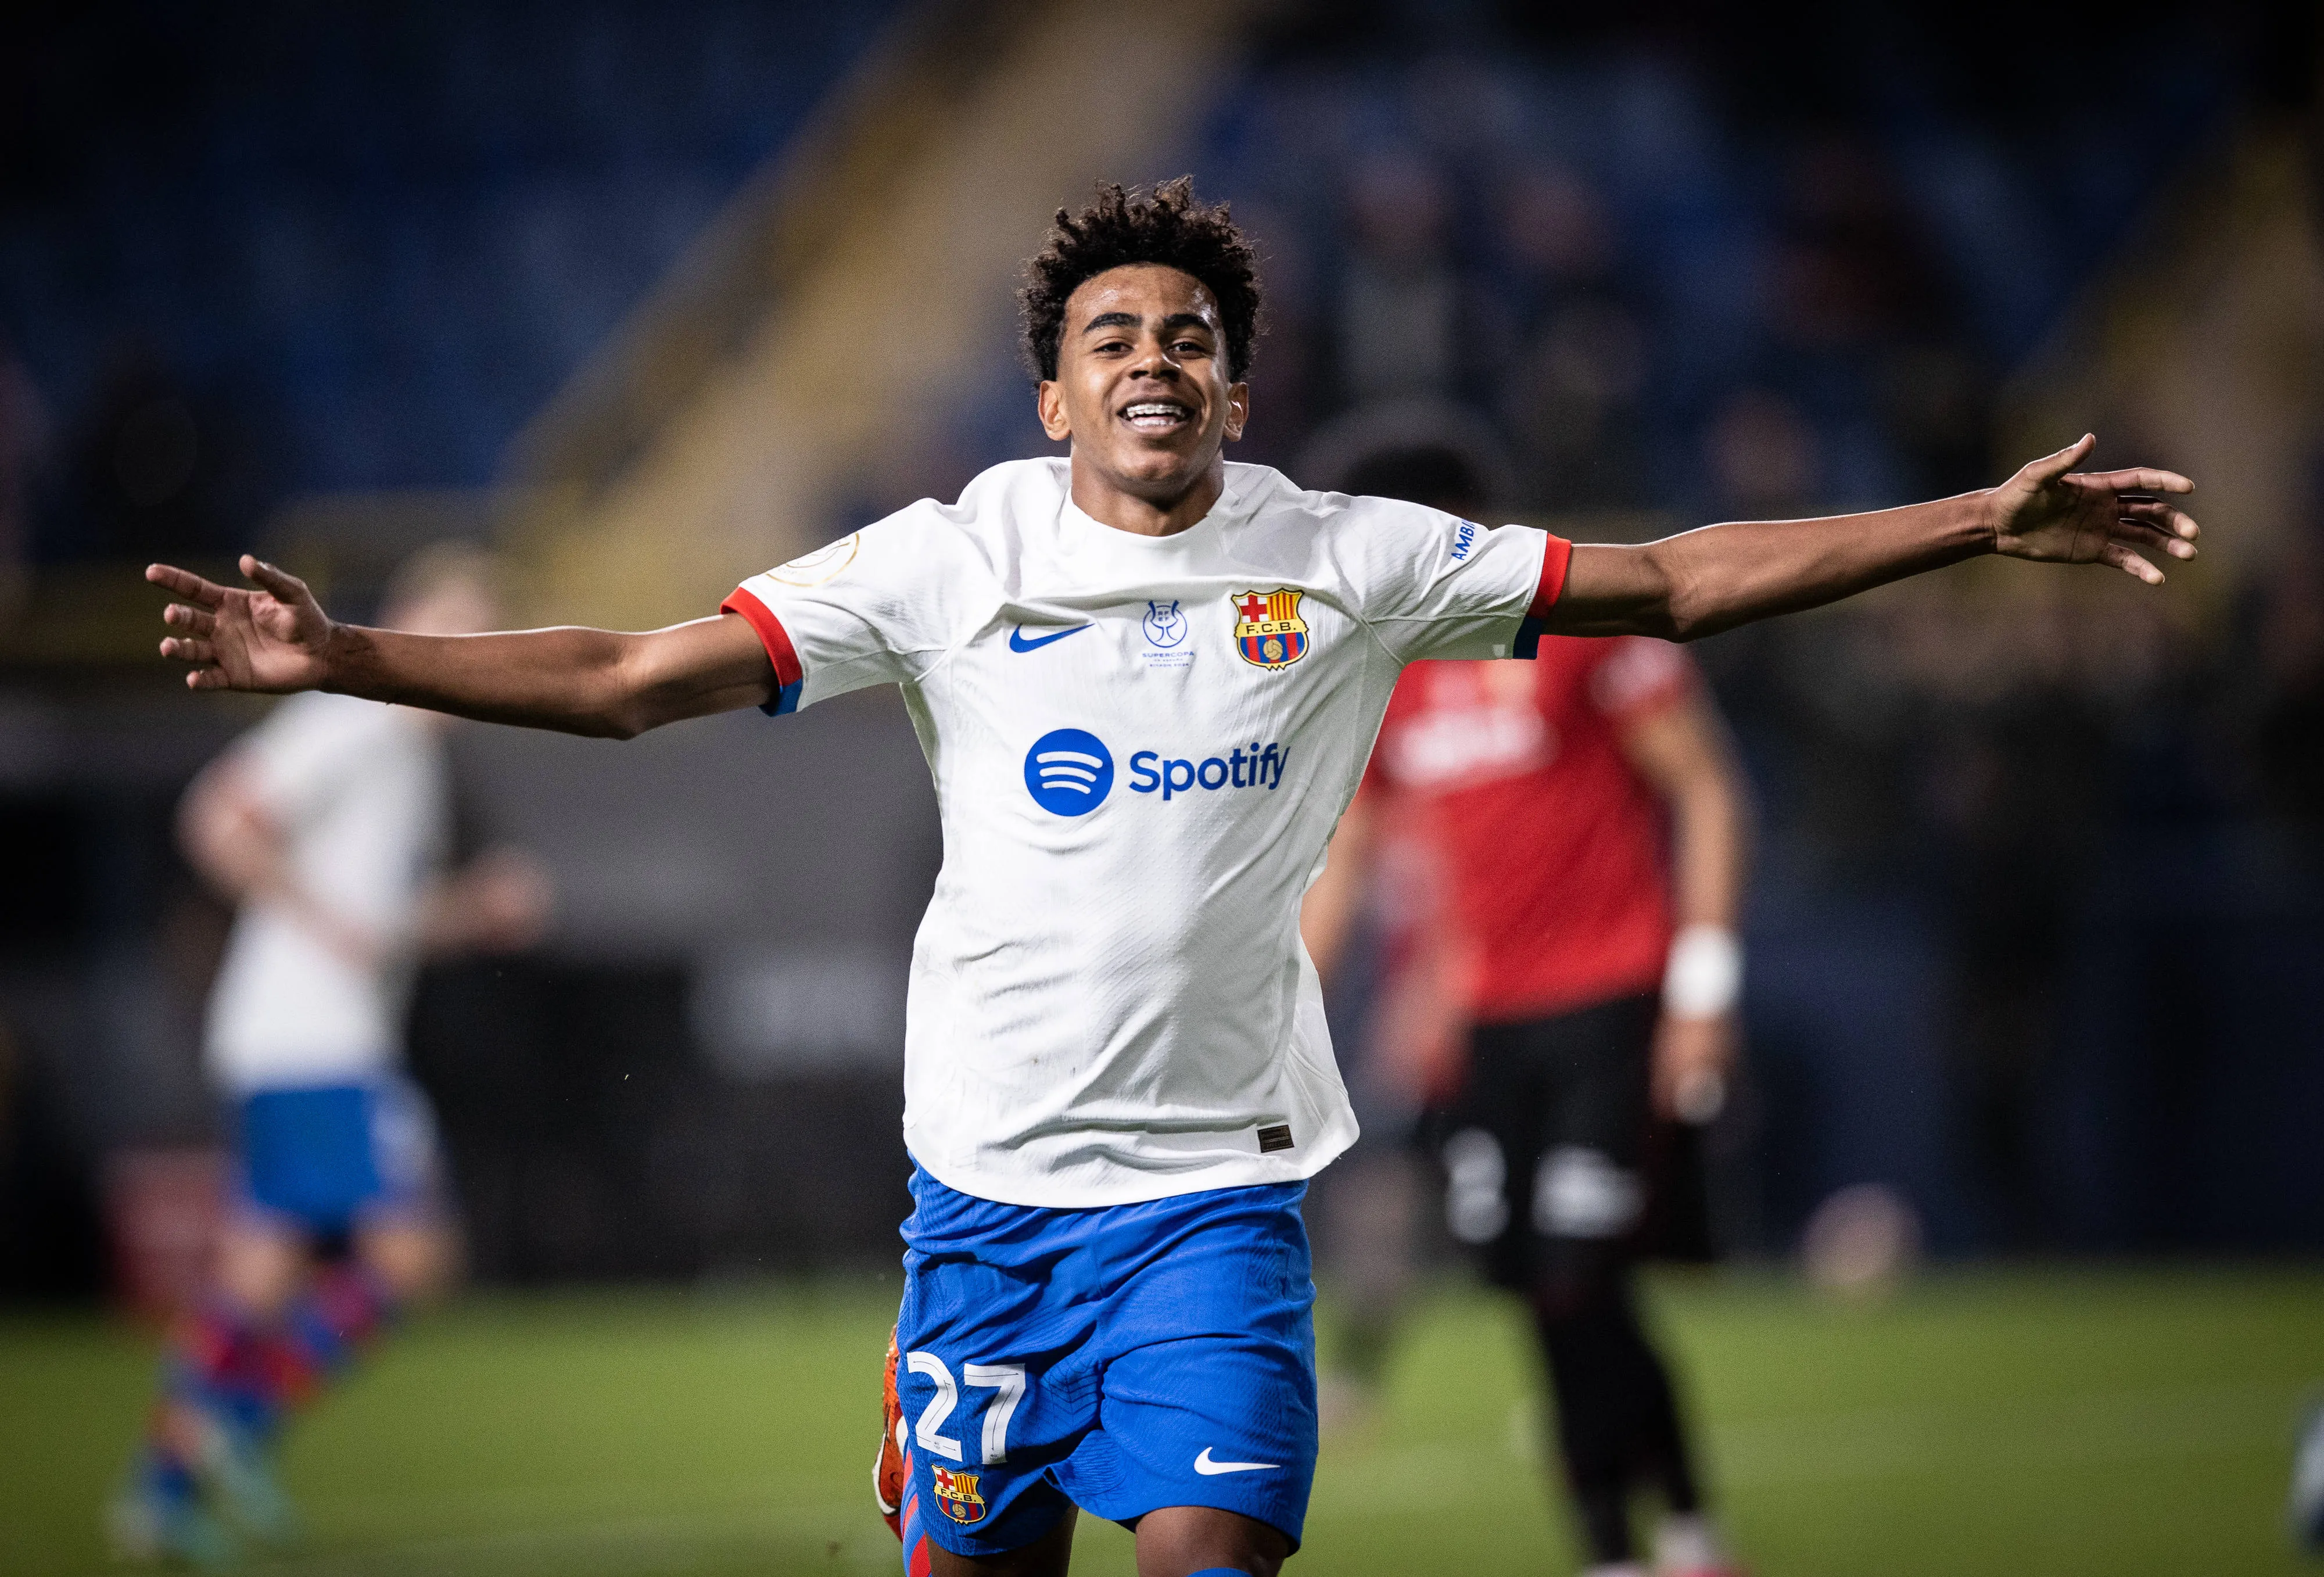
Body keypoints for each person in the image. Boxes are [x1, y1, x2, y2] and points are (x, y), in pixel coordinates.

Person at [142, 180, 2199, 1577]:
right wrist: (347, 656)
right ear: (1054, 393)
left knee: (1211, 1548)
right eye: (1112, 332)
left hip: (1213, 1204)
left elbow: (1667, 582)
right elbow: (621, 678)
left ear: (1236, 385)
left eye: (1191, 334)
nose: (1154, 355)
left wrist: (1971, 522)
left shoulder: (1352, 556)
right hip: (981, 1216)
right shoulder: (948, 559)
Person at [1301, 434, 1752, 1577]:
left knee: (1574, 1271)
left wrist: (1702, 992)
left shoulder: (1578, 626)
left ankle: (1670, 1532)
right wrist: (1283, 1011)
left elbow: (1705, 789)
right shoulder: (1387, 677)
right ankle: (1633, 1542)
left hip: (1610, 1001)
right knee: (1538, 1291)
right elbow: (1357, 853)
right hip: (1486, 1031)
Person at [112, 546, 551, 1565]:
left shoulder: (411, 758)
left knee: (262, 1267)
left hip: (296, 1039)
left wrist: (470, 912)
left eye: (484, 634)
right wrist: (319, 920)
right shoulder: (355, 719)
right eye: (456, 627)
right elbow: (217, 816)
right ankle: (231, 1430)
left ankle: (160, 1489)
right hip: (311, 1040)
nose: (471, 650)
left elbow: (376, 927)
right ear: (405, 622)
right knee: (412, 1253)